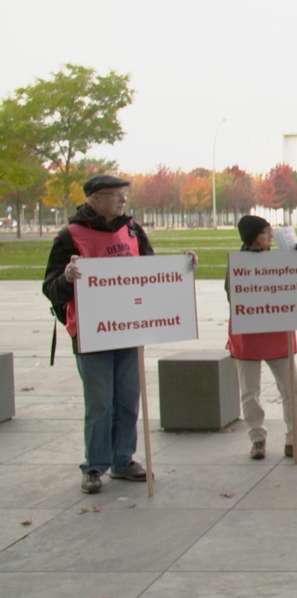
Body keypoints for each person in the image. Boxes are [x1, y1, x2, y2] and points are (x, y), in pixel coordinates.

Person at [42, 175, 189, 494]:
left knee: (127, 400)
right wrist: (67, 278)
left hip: (129, 330)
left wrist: (182, 268)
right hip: (91, 334)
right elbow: (50, 288)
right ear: (94, 198)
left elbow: (151, 274)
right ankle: (94, 465)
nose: (122, 200)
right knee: (99, 404)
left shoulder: (133, 230)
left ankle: (123, 460)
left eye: (124, 195)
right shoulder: (70, 236)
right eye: (115, 195)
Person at [226, 215, 297, 460]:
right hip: (249, 334)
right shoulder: (238, 263)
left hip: (278, 332)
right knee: (250, 391)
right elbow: (233, 295)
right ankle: (257, 438)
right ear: (251, 237)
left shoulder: (282, 259)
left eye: (271, 232)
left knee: (292, 388)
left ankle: (296, 439)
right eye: (265, 232)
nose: (270, 236)